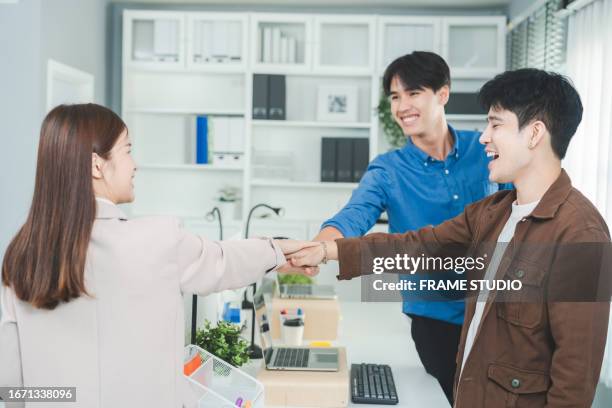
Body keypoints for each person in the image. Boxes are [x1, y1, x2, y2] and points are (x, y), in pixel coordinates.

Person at [290, 68, 611, 407]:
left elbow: (574, 379)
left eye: (496, 125)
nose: (484, 137)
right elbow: (414, 246)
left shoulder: (581, 235)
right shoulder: (492, 212)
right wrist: (325, 250)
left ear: (534, 134)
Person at [0, 104, 314, 408]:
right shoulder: (157, 239)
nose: (134, 165)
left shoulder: (21, 256)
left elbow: (9, 383)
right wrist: (276, 250)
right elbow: (222, 261)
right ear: (97, 165)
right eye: (128, 150)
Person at [281, 51, 509, 404]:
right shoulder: (389, 169)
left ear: (443, 95)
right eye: (394, 97)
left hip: (496, 312)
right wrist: (319, 247)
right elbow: (353, 215)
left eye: (413, 93)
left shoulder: (486, 148)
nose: (402, 106)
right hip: (434, 320)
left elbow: (521, 210)